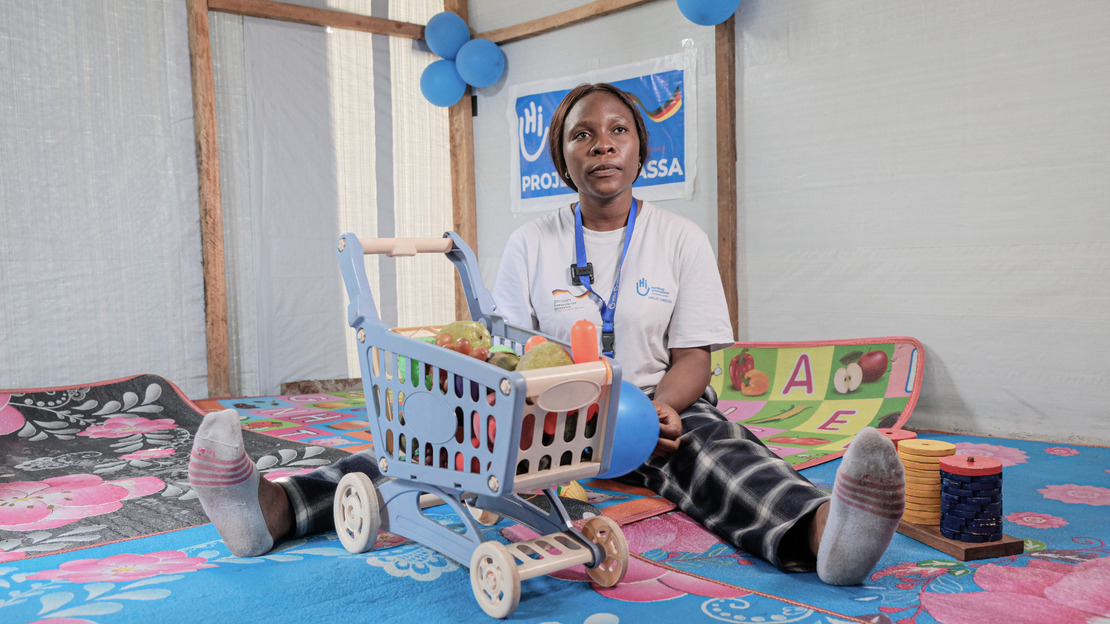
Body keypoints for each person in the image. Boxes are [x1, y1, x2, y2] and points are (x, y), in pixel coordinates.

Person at [188, 83, 905, 586]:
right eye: (582, 135)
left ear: (639, 149)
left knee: (723, 456)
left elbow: (694, 358)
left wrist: (669, 411)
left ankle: (823, 538)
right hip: (546, 417)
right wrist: (524, 407)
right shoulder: (533, 244)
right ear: (562, 158)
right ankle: (272, 511)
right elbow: (508, 350)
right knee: (428, 449)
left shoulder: (681, 239)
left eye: (617, 131)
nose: (602, 146)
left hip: (656, 411)